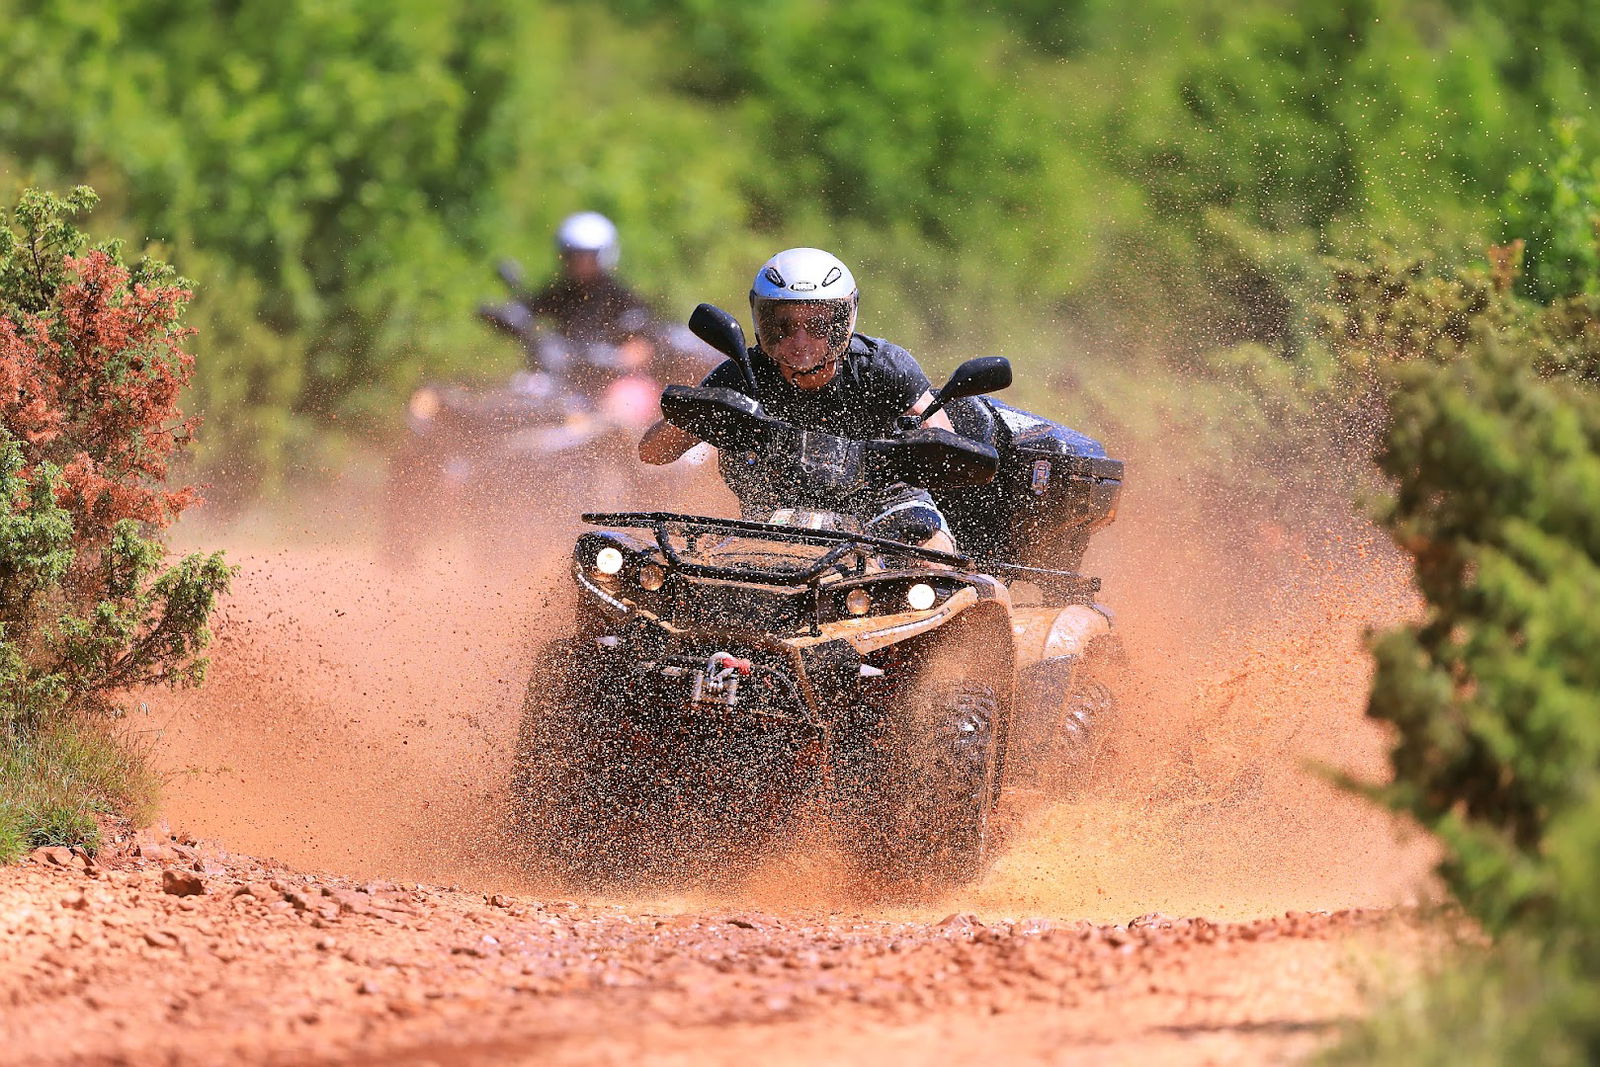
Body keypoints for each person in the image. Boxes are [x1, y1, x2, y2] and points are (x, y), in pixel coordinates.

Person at [638, 247, 959, 552]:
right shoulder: (740, 376)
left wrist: (921, 452)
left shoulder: (883, 366)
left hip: (882, 507)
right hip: (775, 519)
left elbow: (947, 443)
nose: (799, 341)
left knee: (930, 542)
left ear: (840, 323)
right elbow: (653, 452)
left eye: (817, 325)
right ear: (761, 319)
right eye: (784, 325)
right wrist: (704, 414)